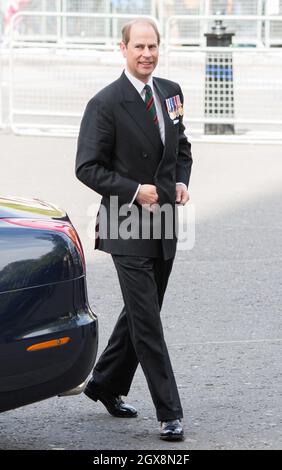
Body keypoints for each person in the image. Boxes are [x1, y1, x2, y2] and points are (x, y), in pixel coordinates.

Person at [75, 17, 193, 441]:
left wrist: (181, 180)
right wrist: (132, 189)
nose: (146, 54)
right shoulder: (105, 103)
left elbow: (182, 148)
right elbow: (87, 167)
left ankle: (105, 383)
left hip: (163, 221)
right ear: (122, 49)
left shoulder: (171, 93)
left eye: (152, 46)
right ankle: (169, 412)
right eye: (138, 46)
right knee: (147, 321)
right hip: (126, 223)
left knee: (142, 312)